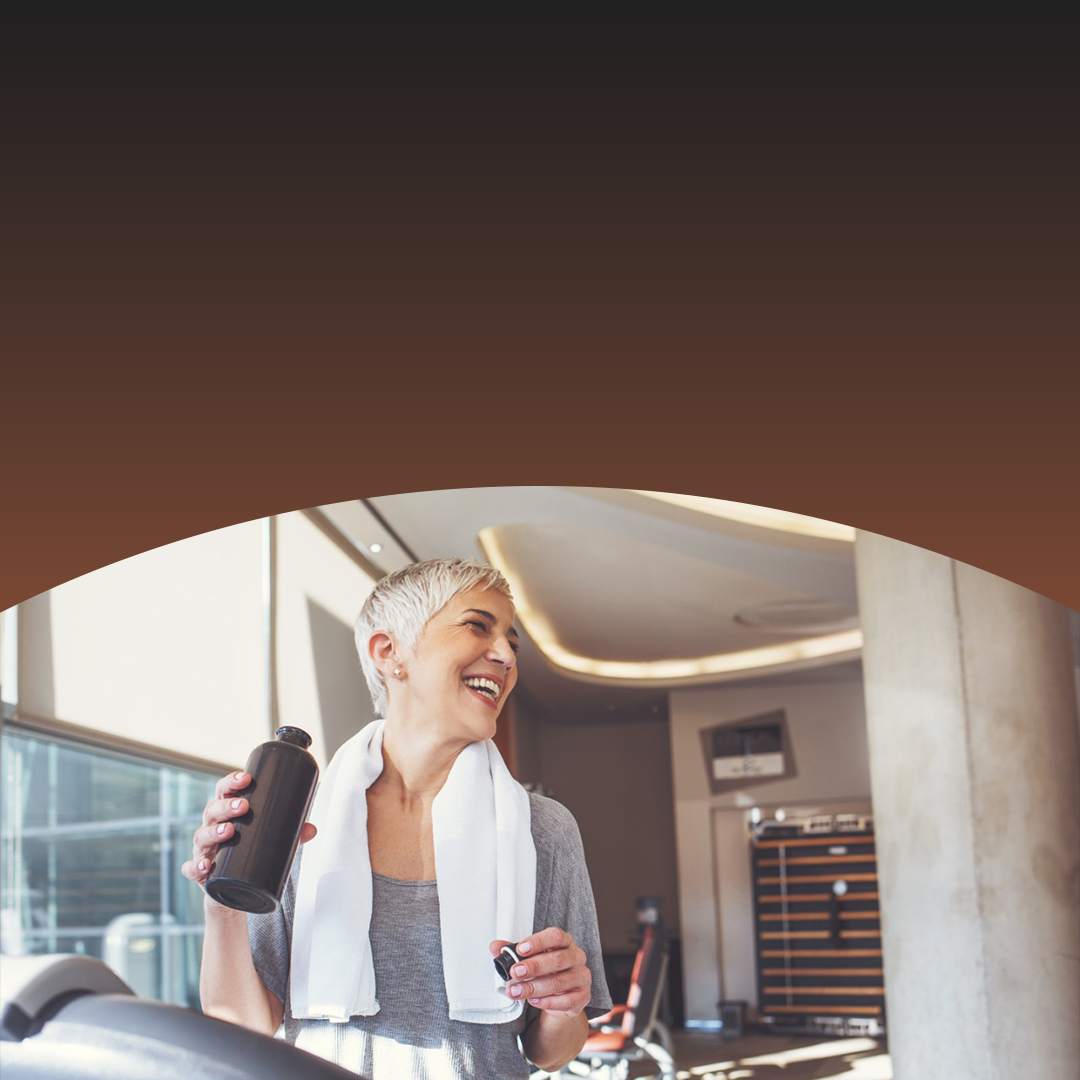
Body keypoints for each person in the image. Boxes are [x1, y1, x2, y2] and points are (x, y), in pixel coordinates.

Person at [182, 557, 611, 1078]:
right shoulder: (293, 823)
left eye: (512, 645)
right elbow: (242, 1027)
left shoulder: (542, 829)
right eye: (478, 626)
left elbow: (552, 1052)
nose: (504, 656)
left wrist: (564, 1002)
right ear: (390, 654)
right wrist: (222, 904)